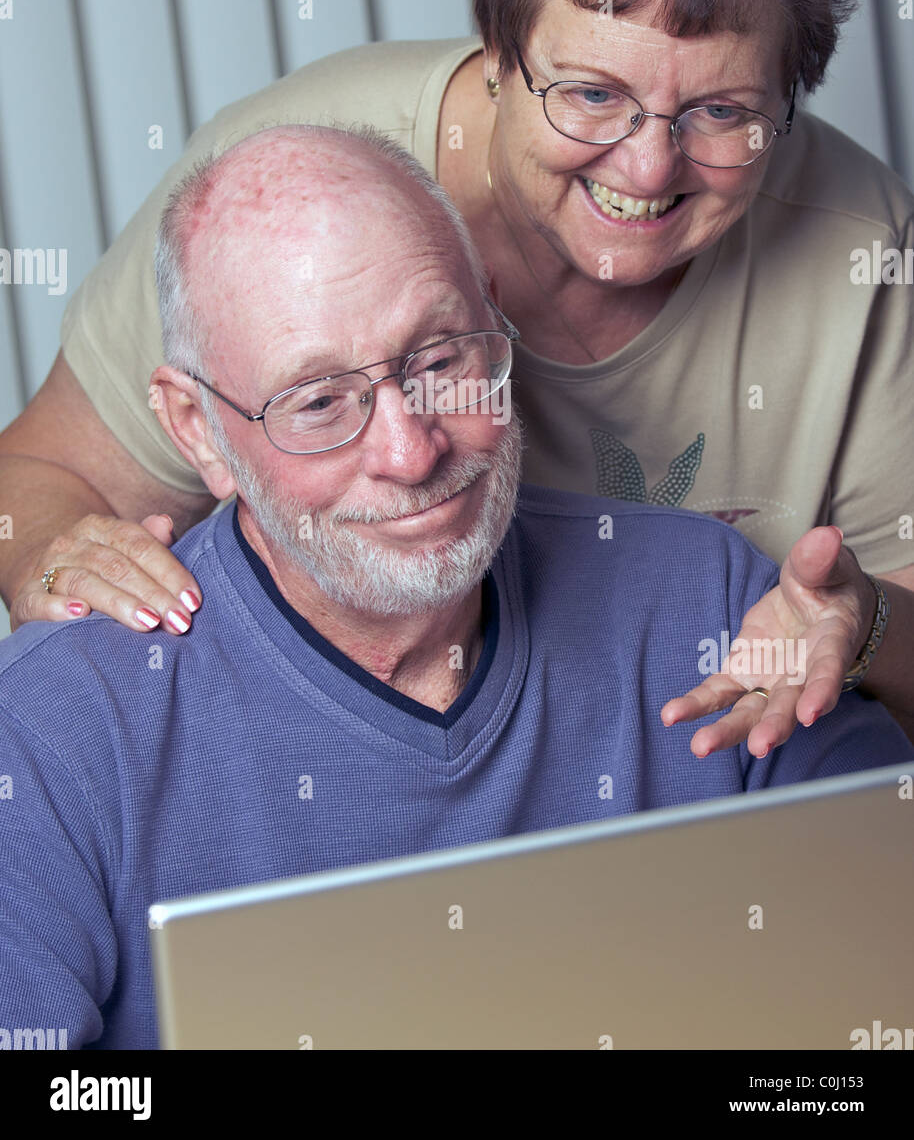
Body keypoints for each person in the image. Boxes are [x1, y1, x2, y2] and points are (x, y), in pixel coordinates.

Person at [1, 0, 912, 764]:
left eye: (721, 112)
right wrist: (48, 548)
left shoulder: (856, 243)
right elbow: (38, 477)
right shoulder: (279, 194)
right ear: (494, 49)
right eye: (591, 95)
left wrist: (860, 621)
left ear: (788, 100)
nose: (648, 167)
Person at [0, 124, 910, 1050]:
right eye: (319, 403)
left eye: (440, 362)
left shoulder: (710, 601)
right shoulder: (52, 731)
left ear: (496, 318)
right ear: (197, 431)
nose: (410, 451)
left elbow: (884, 989)